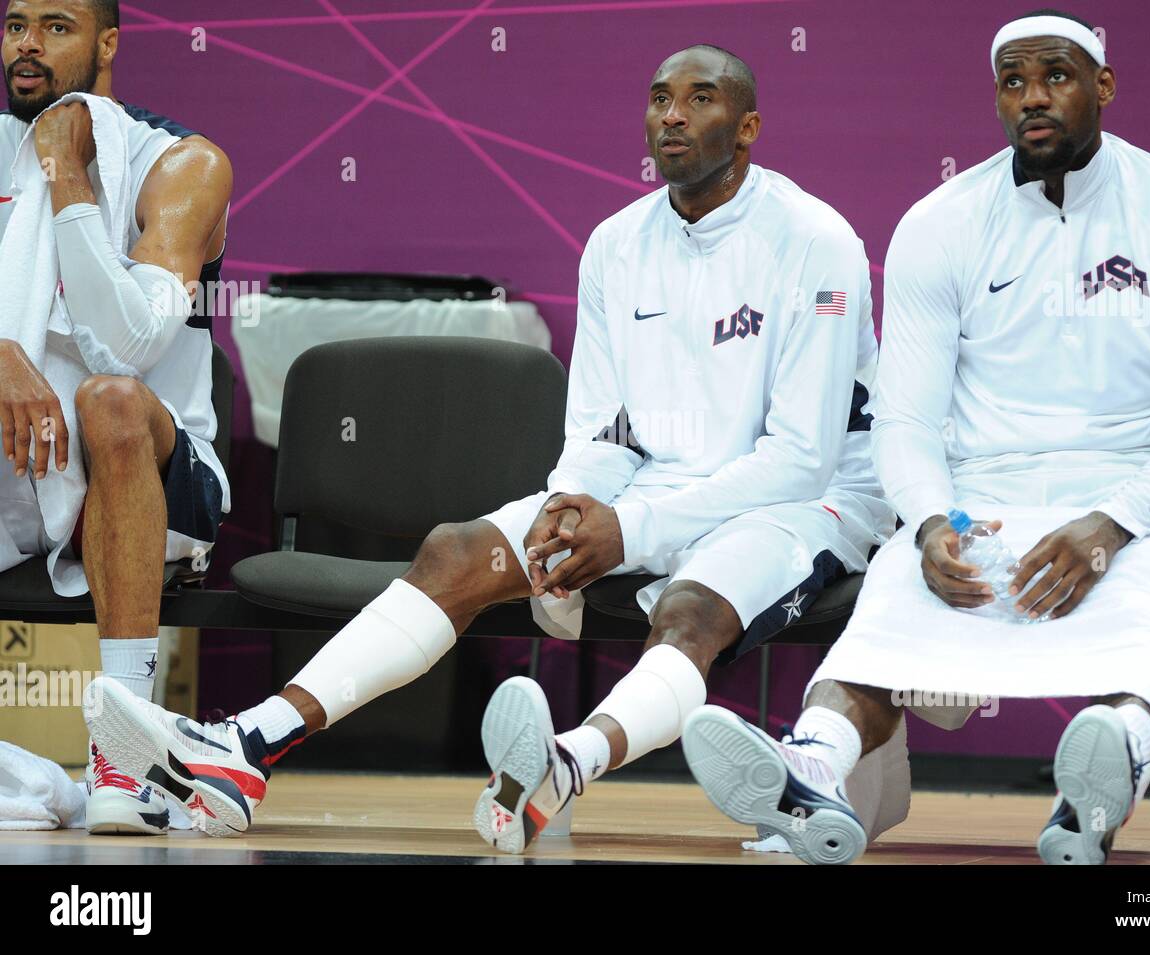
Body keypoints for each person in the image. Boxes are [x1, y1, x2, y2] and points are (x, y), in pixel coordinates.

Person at [84, 44, 895, 850]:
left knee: (688, 611)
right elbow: (605, 430)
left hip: (798, 505)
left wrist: (631, 530)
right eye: (658, 98)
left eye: (700, 98)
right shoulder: (616, 243)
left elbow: (799, 456)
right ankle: (247, 747)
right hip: (646, 489)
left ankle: (564, 766)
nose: (672, 115)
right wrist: (571, 504)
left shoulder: (818, 241)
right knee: (457, 550)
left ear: (748, 126)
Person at [684, 9, 1150, 865]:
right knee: (887, 625)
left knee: (1149, 621)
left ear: (1103, 87)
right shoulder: (940, 222)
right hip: (981, 502)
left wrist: (1109, 525)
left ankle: (1098, 786)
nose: (1033, 98)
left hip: (1141, 506)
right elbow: (904, 422)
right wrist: (929, 521)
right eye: (1014, 81)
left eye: (1056, 77)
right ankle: (810, 775)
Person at [0, 0, 231, 835]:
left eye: (55, 25)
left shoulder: (184, 162)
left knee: (109, 400)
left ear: (107, 45)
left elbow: (127, 344)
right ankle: (38, 782)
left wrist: (65, 180)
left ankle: (128, 748)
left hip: (157, 469)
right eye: (15, 22)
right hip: (21, 465)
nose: (26, 42)